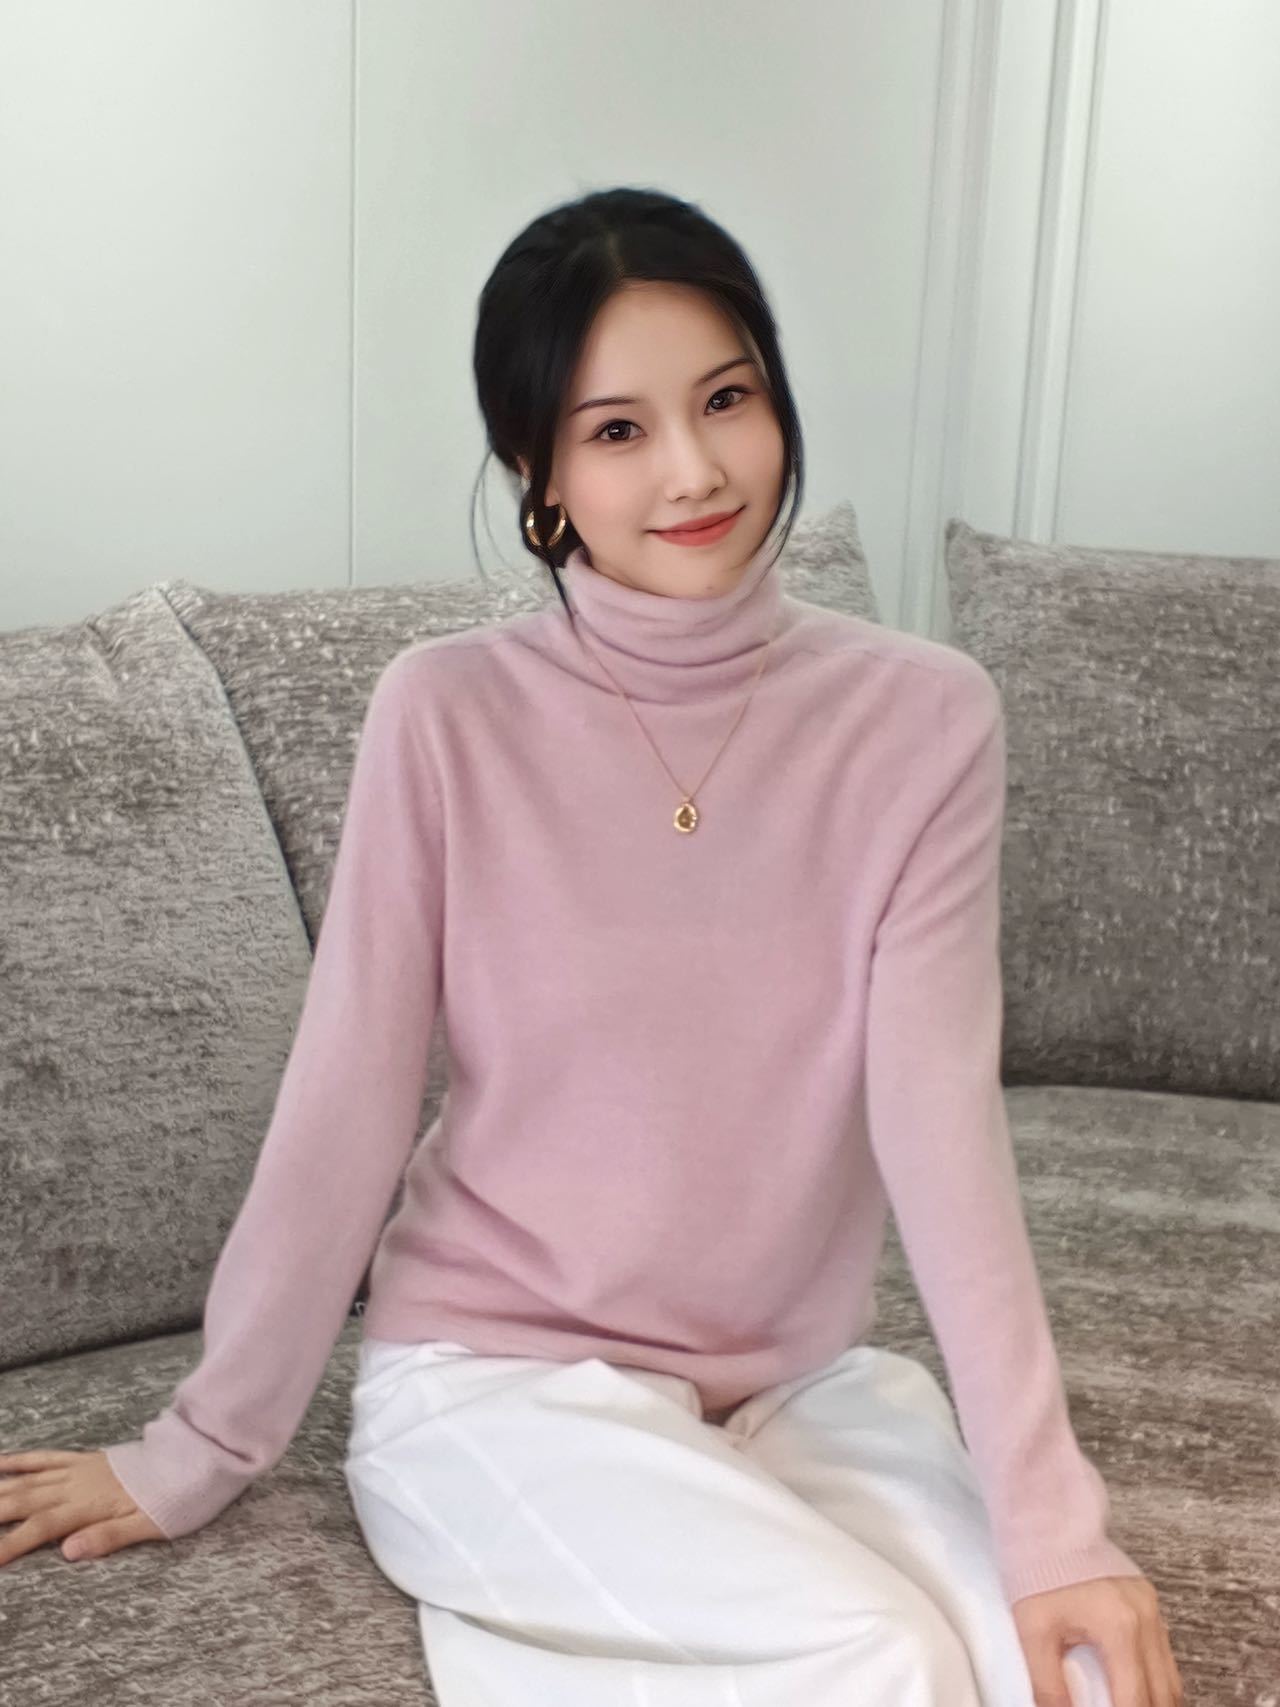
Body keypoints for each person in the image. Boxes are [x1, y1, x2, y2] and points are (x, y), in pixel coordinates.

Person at [0, 186, 1184, 1707]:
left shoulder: (923, 717)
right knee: (877, 1659)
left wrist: (1052, 1521)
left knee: (1071, 1670)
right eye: (617, 429)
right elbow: (350, 1095)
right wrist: (203, 1443)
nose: (694, 469)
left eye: (727, 399)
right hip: (495, 1382)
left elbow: (937, 1115)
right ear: (535, 466)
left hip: (797, 1386)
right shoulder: (446, 713)